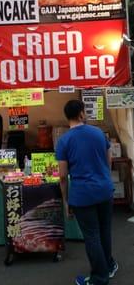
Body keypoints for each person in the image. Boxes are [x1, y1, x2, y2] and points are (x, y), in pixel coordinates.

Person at [55, 99, 118, 285]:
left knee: (92, 235)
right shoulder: (98, 133)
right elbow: (109, 160)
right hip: (105, 190)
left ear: (67, 117)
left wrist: (66, 201)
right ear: (82, 113)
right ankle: (108, 265)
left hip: (83, 195)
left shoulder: (64, 140)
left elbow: (62, 176)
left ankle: (99, 278)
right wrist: (102, 177)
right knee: (104, 231)